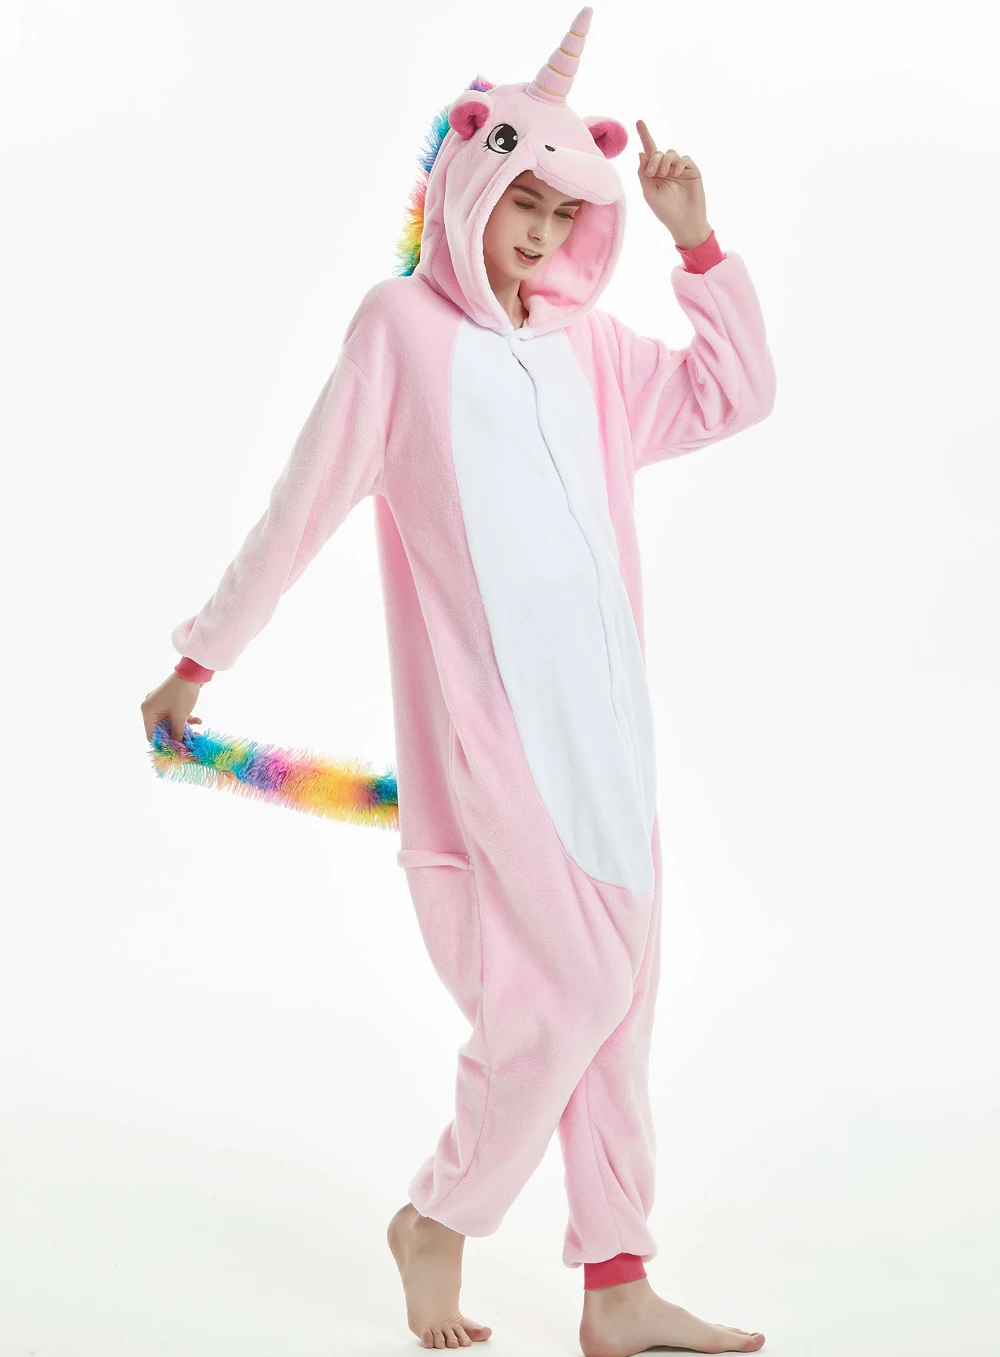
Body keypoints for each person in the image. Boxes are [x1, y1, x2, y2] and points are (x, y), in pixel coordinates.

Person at [142, 7, 776, 1353]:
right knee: (563, 1003)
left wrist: (696, 242)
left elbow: (736, 394)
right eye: (521, 205)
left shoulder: (590, 352)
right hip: (496, 754)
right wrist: (200, 656)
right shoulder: (401, 334)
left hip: (613, 747)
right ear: (468, 186)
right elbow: (301, 509)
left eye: (563, 212)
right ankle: (439, 1214)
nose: (541, 236)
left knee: (619, 1016)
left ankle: (618, 1289)